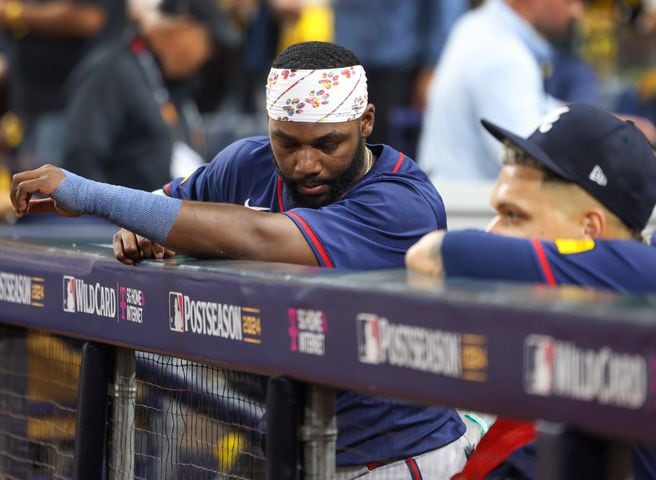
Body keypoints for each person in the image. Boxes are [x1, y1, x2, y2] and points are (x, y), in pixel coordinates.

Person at [11, 41, 472, 478]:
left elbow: (260, 236)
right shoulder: (247, 163)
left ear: (366, 122)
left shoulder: (401, 202)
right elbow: (166, 208)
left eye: (328, 144)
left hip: (396, 456)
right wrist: (141, 228)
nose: (306, 164)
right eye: (288, 143)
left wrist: (88, 193)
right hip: (289, 445)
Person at [406, 103, 656, 479]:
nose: (493, 232)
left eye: (513, 216)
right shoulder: (582, 324)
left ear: (589, 231)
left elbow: (434, 253)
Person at [418, 0, 582, 179]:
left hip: (452, 197)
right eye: (569, 2)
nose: (577, 13)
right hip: (470, 204)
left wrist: (597, 124)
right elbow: (529, 163)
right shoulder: (502, 55)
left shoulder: (477, 26)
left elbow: (537, 108)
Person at [62, 13, 212, 190]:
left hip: (167, 210)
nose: (208, 51)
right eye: (207, 37)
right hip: (123, 212)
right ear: (178, 29)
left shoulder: (176, 81)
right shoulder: (111, 71)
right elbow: (81, 156)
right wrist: (105, 210)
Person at [1, 0, 127, 170]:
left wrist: (15, 13)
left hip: (67, 104)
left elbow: (87, 18)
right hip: (30, 104)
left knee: (53, 189)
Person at [332, 0, 467, 154]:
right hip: (346, 60)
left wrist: (432, 67)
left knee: (384, 154)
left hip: (397, 67)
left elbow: (446, 10)